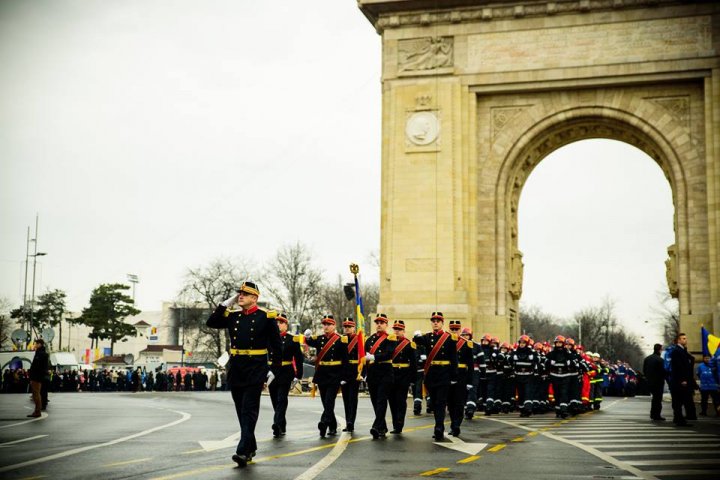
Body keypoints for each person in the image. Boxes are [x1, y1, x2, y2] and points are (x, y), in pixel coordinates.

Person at [206, 281, 282, 468]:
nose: (240, 296)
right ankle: (250, 446)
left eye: (245, 294)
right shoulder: (233, 316)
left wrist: (274, 369)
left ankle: (242, 451)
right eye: (239, 293)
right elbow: (211, 322)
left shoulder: (266, 317)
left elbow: (276, 346)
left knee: (249, 409)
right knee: (241, 410)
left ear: (255, 298)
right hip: (237, 368)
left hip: (256, 368)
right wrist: (225, 304)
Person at [413, 312, 458, 441]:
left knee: (441, 402)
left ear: (442, 323)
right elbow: (417, 341)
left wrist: (454, 376)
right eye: (433, 320)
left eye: (438, 320)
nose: (435, 322)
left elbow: (453, 359)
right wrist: (416, 334)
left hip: (444, 374)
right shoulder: (427, 337)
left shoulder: (449, 338)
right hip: (432, 374)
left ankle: (439, 427)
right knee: (433, 402)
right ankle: (438, 425)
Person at [305, 315, 349, 438]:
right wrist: (306, 335)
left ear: (334, 326)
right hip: (322, 374)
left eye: (329, 324)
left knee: (329, 401)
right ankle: (333, 426)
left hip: (335, 374)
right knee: (326, 403)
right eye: (324, 324)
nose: (326, 327)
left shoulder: (341, 340)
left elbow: (345, 359)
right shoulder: (319, 339)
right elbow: (308, 341)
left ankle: (323, 423)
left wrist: (344, 376)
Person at [269, 312, 304, 438]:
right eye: (276, 322)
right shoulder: (269, 338)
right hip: (272, 372)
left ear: (286, 325)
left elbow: (299, 358)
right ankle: (282, 423)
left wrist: (298, 375)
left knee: (281, 398)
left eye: (281, 322)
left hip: (285, 371)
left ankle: (277, 423)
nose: (278, 325)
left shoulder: (292, 339)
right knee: (274, 399)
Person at [364, 313, 397, 439]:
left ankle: (376, 426)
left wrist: (374, 357)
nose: (379, 324)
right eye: (377, 322)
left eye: (381, 322)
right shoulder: (369, 339)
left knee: (381, 400)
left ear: (386, 324)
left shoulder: (390, 338)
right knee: (374, 401)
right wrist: (365, 373)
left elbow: (389, 354)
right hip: (372, 374)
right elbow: (365, 358)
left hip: (385, 373)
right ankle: (382, 427)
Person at [389, 319, 416, 434]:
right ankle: (395, 424)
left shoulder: (409, 344)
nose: (397, 331)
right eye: (395, 329)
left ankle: (399, 424)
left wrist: (412, 379)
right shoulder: (389, 342)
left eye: (399, 329)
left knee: (400, 401)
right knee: (392, 401)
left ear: (403, 330)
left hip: (403, 375)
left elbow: (413, 363)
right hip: (391, 374)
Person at [448, 323, 473, 435]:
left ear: (459, 330)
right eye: (452, 329)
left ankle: (456, 425)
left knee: (459, 402)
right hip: (448, 376)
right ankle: (453, 424)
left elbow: (471, 365)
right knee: (450, 403)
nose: (454, 331)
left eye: (456, 329)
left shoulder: (466, 344)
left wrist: (470, 381)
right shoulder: (446, 342)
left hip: (461, 376)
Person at [669, 332, 697, 426]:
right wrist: (683, 380)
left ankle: (678, 418)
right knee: (679, 400)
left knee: (679, 401)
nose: (685, 340)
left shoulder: (682, 350)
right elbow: (679, 367)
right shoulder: (677, 351)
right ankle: (680, 420)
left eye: (686, 338)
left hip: (681, 380)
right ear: (678, 340)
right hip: (680, 381)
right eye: (683, 338)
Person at [341, 317, 361, 433]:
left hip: (355, 371)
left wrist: (362, 373)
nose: (347, 329)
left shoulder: (359, 340)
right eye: (346, 327)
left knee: (352, 398)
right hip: (344, 372)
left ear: (354, 328)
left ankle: (351, 422)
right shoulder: (340, 340)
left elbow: (362, 357)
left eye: (349, 327)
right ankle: (348, 419)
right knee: (345, 398)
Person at [643, 344, 666, 421]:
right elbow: (663, 372)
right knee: (658, 399)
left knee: (654, 399)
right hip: (658, 382)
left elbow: (644, 370)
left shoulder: (647, 359)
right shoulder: (660, 360)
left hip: (649, 382)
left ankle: (653, 414)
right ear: (660, 350)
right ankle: (656, 415)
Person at [27, 339, 49, 418]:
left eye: (36, 344)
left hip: (37, 377)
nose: (35, 345)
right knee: (35, 394)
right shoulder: (40, 353)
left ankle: (37, 411)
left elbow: (38, 367)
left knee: (36, 394)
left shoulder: (41, 354)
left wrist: (33, 374)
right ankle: (37, 411)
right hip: (36, 376)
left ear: (40, 344)